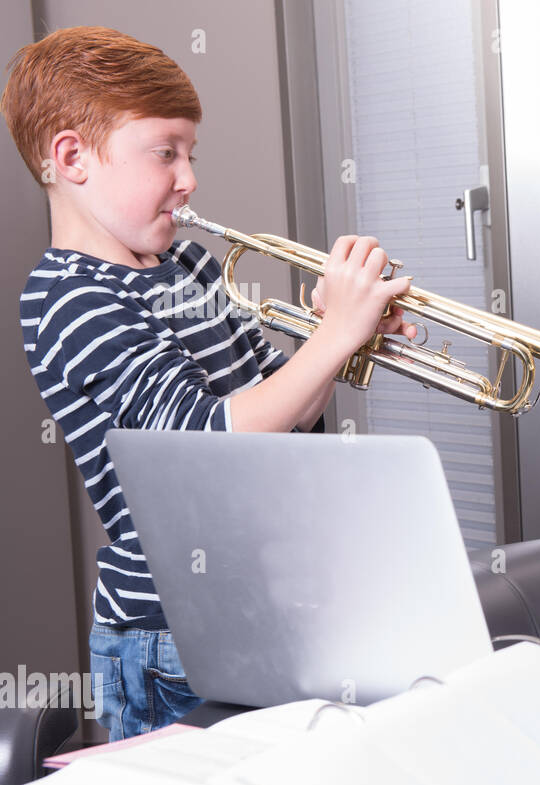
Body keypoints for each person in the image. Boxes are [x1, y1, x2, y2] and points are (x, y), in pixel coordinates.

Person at [3, 26, 416, 739]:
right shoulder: (65, 298)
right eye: (165, 152)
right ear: (71, 157)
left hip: (264, 610)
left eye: (191, 153)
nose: (188, 177)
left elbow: (277, 422)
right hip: (171, 636)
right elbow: (208, 442)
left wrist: (344, 342)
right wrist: (333, 337)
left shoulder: (190, 266)